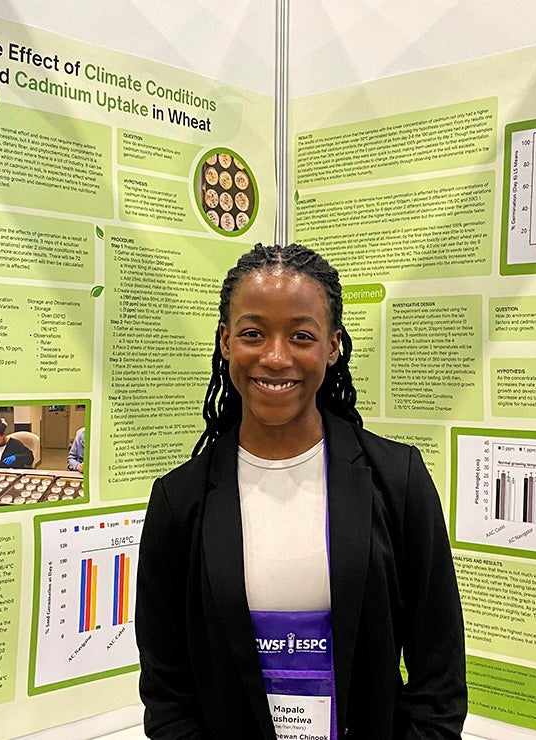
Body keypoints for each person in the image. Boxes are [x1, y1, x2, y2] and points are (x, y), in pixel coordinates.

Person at [136, 244, 466, 739]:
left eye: (301, 336)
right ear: (225, 341)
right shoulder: (178, 501)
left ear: (332, 346)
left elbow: (438, 676)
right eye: (253, 333)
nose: (275, 357)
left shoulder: (398, 480)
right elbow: (167, 693)